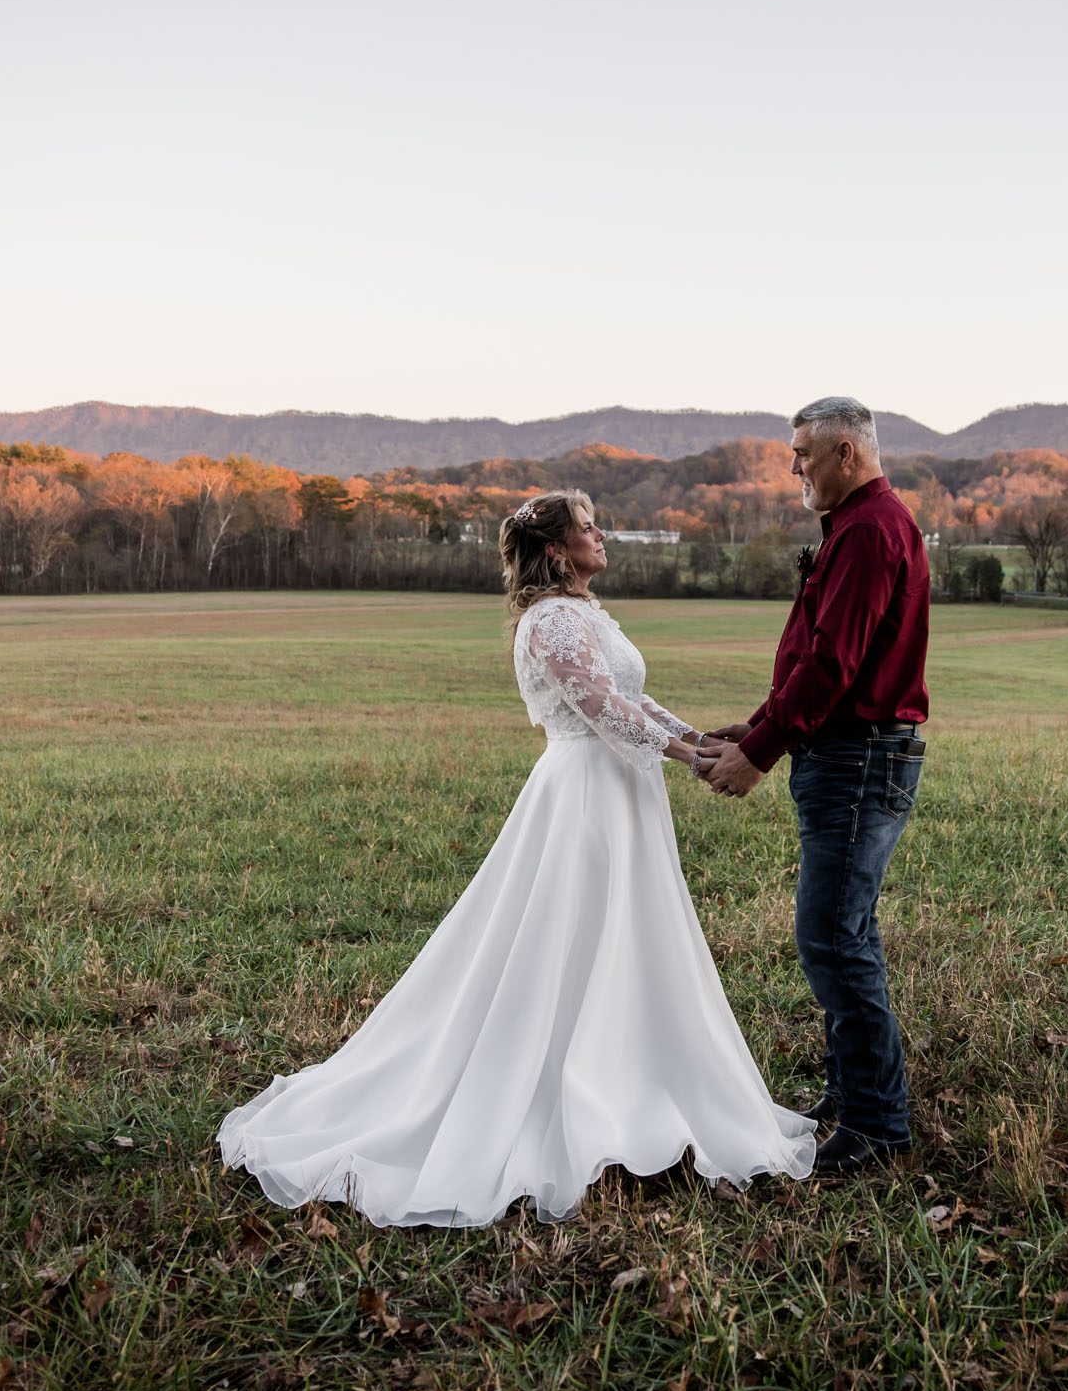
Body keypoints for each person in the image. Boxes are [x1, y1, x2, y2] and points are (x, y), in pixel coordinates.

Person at [214, 489, 818, 1227]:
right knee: (566, 937)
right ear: (559, 550)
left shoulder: (585, 612)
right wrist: (690, 756)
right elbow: (599, 706)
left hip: (623, 791)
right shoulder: (554, 618)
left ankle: (636, 1072)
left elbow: (635, 695)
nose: (604, 536)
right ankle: (560, 1085)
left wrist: (705, 738)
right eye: (591, 529)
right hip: (584, 793)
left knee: (629, 934)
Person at [696, 396, 930, 1177]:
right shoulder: (861, 526)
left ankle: (875, 1125)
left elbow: (835, 666)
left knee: (832, 935)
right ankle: (856, 1096)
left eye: (803, 452)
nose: (792, 466)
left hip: (858, 758)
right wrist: (756, 720)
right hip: (848, 754)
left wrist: (761, 751)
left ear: (847, 454)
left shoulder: (868, 530)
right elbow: (818, 655)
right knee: (842, 932)